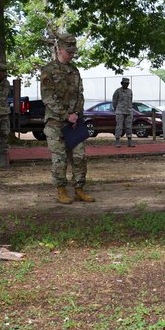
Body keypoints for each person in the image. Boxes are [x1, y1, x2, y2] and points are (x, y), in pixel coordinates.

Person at [40, 32, 95, 204]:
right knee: (60, 158)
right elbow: (48, 98)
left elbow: (80, 95)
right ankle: (61, 190)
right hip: (55, 123)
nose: (71, 55)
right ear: (60, 49)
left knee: (80, 156)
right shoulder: (48, 70)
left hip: (74, 123)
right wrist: (65, 115)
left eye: (73, 52)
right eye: (69, 51)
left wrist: (76, 114)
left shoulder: (74, 71)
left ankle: (79, 189)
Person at [0, 61, 12, 150]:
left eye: (4, 72)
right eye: (0, 72)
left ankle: (4, 151)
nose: (2, 74)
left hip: (4, 112)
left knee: (5, 132)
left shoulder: (6, 83)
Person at [113, 77, 134, 147]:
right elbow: (114, 101)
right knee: (119, 126)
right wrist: (116, 109)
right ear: (122, 83)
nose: (126, 85)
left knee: (129, 126)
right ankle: (117, 141)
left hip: (128, 111)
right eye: (125, 83)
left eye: (127, 83)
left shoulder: (130, 91)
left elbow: (131, 100)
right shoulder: (118, 91)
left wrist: (130, 108)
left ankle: (130, 140)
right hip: (120, 111)